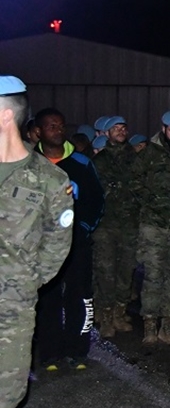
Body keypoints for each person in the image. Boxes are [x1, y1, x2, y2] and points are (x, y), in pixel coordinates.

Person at [0, 76, 73, 408]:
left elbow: (58, 243)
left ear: (4, 115)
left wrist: (23, 282)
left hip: (11, 310)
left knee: (5, 395)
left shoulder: (49, 180)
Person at [33, 108, 105, 371]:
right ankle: (50, 352)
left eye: (61, 125)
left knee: (80, 296)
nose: (58, 130)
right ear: (38, 131)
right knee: (47, 298)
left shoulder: (82, 164)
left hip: (76, 244)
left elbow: (96, 200)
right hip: (40, 246)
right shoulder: (30, 164)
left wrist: (84, 226)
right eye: (51, 126)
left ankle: (78, 350)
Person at [132, 109, 170, 346]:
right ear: (163, 128)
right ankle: (149, 324)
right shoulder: (149, 153)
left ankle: (167, 325)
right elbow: (134, 181)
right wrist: (150, 202)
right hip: (153, 225)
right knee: (153, 275)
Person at [92, 115, 139, 337]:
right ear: (107, 133)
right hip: (105, 225)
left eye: (123, 127)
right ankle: (106, 317)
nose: (120, 131)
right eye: (116, 128)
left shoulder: (136, 158)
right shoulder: (100, 161)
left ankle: (120, 314)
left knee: (126, 270)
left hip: (129, 223)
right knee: (105, 271)